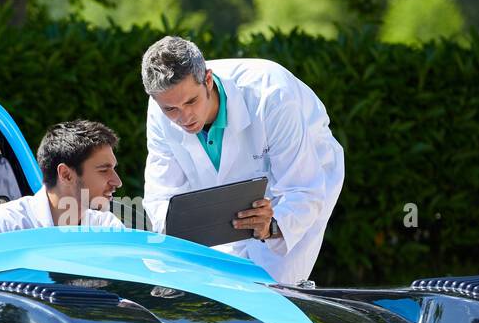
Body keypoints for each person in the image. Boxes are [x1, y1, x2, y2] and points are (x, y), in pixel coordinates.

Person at [140, 35, 344, 284]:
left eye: (191, 101)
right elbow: (162, 197)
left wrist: (272, 227)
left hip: (298, 181)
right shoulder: (160, 107)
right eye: (171, 109)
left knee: (274, 288)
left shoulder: (272, 95)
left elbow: (303, 188)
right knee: (212, 285)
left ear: (208, 80)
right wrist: (178, 237)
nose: (184, 117)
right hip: (223, 199)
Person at [0, 120, 125, 237]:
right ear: (65, 174)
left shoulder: (108, 228)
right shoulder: (4, 226)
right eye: (104, 170)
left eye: (113, 169)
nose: (117, 182)